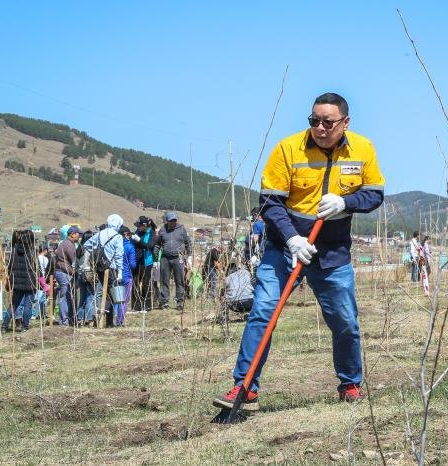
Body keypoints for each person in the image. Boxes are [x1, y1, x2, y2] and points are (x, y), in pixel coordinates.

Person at [214, 92, 385, 412]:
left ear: (345, 123)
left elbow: (374, 195)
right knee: (263, 311)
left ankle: (350, 384)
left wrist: (345, 203)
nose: (320, 128)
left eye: (328, 122)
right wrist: (293, 239)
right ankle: (244, 386)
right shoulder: (288, 149)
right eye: (314, 121)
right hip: (283, 250)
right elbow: (270, 202)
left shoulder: (363, 149)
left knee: (345, 321)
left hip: (332, 251)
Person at [83, 214, 125, 327]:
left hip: (100, 267)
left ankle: (97, 319)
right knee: (112, 295)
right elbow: (119, 255)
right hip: (112, 268)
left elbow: (87, 245)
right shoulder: (117, 236)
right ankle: (109, 321)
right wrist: (120, 272)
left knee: (99, 292)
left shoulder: (100, 234)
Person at [1, 230, 40, 332]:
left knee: (13, 305)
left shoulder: (14, 250)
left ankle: (4, 326)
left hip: (17, 282)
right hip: (30, 283)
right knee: (28, 306)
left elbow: (10, 266)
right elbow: (37, 268)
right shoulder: (32, 251)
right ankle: (25, 327)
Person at [154, 211, 192, 311]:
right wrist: (155, 259)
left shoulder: (181, 229)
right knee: (164, 280)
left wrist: (189, 257)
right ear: (167, 221)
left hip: (178, 258)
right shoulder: (162, 230)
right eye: (171, 220)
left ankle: (179, 302)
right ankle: (164, 302)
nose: (173, 222)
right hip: (165, 258)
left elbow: (188, 242)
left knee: (179, 280)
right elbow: (157, 244)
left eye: (174, 220)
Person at [130, 215, 158, 312]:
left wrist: (139, 240)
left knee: (146, 284)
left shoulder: (152, 233)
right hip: (135, 261)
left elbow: (149, 246)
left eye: (140, 226)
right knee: (135, 283)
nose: (138, 227)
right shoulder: (137, 231)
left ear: (145, 225)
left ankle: (147, 305)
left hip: (146, 261)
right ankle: (136, 305)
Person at [55, 226, 81, 326]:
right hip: (64, 272)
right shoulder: (69, 245)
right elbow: (74, 260)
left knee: (69, 296)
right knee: (65, 297)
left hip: (63, 272)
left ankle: (68, 319)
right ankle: (64, 320)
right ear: (72, 234)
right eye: (78, 234)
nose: (79, 236)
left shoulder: (65, 243)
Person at [115, 225, 137, 326]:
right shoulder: (129, 247)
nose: (130, 236)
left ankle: (111, 319)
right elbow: (133, 264)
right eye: (129, 234)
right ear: (125, 234)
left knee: (116, 298)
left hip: (115, 274)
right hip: (126, 275)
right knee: (124, 300)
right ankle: (120, 321)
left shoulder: (115, 245)